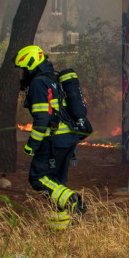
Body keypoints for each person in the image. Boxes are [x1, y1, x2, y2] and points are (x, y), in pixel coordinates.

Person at [15, 45, 86, 229]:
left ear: (31, 64)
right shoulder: (53, 78)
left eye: (24, 69)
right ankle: (61, 227)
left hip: (53, 140)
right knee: (56, 183)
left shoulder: (39, 82)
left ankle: (72, 199)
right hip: (68, 138)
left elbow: (42, 117)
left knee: (37, 177)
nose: (23, 74)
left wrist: (32, 144)